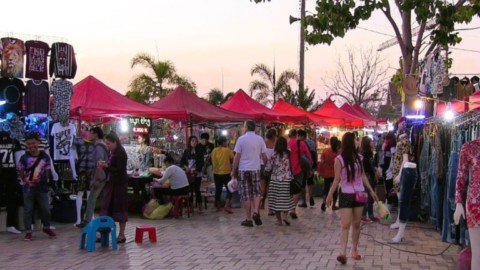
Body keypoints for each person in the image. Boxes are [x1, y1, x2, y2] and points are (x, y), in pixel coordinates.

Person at [326, 132, 378, 265]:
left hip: (359, 193)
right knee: (345, 224)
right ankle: (342, 252)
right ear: (350, 142)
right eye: (355, 140)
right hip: (346, 193)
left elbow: (363, 176)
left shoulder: (359, 158)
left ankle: (354, 249)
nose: (357, 142)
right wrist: (330, 194)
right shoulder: (339, 160)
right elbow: (337, 179)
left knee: (356, 223)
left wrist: (372, 191)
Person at [17, 132, 57, 241]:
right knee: (28, 210)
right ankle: (28, 231)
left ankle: (46, 227)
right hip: (28, 188)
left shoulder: (45, 156)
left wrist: (46, 181)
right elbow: (20, 169)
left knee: (46, 208)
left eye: (33, 143)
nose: (31, 146)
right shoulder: (24, 157)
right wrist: (25, 181)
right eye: (29, 144)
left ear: (38, 143)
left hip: (42, 187)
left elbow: (48, 170)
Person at [231, 120, 267, 227]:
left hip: (243, 169)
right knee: (256, 192)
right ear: (255, 128)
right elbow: (264, 157)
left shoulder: (241, 139)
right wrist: (266, 166)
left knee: (246, 194)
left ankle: (248, 218)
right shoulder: (259, 139)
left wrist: (233, 170)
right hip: (256, 169)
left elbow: (237, 157)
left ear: (246, 127)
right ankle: (256, 212)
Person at [75, 127, 109, 228]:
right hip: (101, 175)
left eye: (91, 133)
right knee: (94, 198)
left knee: (92, 198)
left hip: (100, 175)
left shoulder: (99, 146)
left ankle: (87, 220)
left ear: (96, 135)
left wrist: (97, 179)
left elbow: (100, 163)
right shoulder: (100, 145)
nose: (88, 135)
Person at [97, 132, 128, 244]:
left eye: (108, 143)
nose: (107, 146)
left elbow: (119, 170)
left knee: (120, 209)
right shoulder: (112, 153)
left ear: (115, 142)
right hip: (111, 184)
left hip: (119, 185)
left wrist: (107, 166)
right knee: (106, 208)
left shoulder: (121, 153)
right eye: (106, 144)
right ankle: (103, 233)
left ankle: (121, 234)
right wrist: (105, 166)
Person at [264, 136, 295, 226]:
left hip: (275, 180)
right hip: (286, 179)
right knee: (286, 199)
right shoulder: (288, 153)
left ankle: (279, 220)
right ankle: (285, 216)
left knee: (276, 200)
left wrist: (265, 172)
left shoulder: (273, 155)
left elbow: (268, 167)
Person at [70, 130, 95, 227]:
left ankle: (90, 216)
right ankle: (79, 219)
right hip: (82, 170)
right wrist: (73, 171)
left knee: (90, 194)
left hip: (91, 170)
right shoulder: (78, 140)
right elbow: (71, 156)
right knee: (80, 193)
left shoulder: (94, 141)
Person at [287, 129, 313, 219]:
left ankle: (288, 208)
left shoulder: (287, 143)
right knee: (297, 189)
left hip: (288, 170)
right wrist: (310, 166)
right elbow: (308, 155)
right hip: (298, 169)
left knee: (289, 189)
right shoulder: (301, 143)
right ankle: (293, 209)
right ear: (297, 135)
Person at [180, 135, 204, 213]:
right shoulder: (186, 151)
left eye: (195, 141)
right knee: (189, 190)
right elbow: (182, 162)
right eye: (192, 141)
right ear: (189, 142)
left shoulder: (200, 151)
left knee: (197, 190)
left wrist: (196, 169)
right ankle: (190, 207)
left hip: (197, 173)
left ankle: (200, 207)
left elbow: (201, 163)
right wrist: (186, 167)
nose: (194, 142)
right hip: (188, 174)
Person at [211, 136, 234, 213]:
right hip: (226, 173)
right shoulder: (227, 150)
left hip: (216, 173)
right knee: (230, 189)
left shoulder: (214, 150)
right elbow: (232, 159)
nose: (227, 143)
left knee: (218, 190)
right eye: (226, 141)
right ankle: (226, 205)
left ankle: (218, 207)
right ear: (223, 142)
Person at [360, 136, 380, 223]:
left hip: (370, 177)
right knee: (364, 196)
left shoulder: (370, 153)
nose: (373, 142)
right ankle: (363, 215)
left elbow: (372, 165)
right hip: (367, 177)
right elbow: (367, 167)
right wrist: (374, 173)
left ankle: (370, 214)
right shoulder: (365, 154)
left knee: (371, 197)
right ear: (368, 143)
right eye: (371, 141)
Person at [319, 136, 341, 212]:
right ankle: (334, 205)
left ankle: (323, 202)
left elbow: (321, 162)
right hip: (335, 174)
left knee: (326, 188)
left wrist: (320, 171)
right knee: (335, 189)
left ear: (330, 142)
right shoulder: (338, 153)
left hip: (326, 173)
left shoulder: (325, 151)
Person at [297, 129, 318, 207]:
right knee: (310, 182)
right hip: (311, 164)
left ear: (302, 136)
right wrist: (315, 163)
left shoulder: (300, 143)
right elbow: (315, 153)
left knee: (302, 183)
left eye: (298, 136)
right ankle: (311, 197)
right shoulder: (312, 142)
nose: (298, 137)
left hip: (303, 165)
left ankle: (304, 202)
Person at [260, 128, 277, 214]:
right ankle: (270, 208)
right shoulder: (276, 145)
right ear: (274, 135)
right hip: (272, 167)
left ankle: (261, 204)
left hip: (262, 166)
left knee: (262, 187)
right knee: (270, 188)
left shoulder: (263, 143)